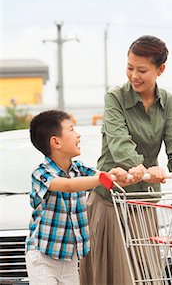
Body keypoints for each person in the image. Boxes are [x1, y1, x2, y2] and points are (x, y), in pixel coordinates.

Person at [80, 35, 172, 285]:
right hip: (111, 197)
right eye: (130, 68)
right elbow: (119, 141)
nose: (134, 75)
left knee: (147, 273)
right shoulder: (115, 98)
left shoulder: (167, 101)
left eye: (142, 70)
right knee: (112, 274)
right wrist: (139, 167)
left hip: (144, 199)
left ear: (160, 69)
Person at [25, 110, 128, 285]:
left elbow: (102, 178)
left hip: (69, 258)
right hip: (43, 257)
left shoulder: (78, 169)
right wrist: (103, 179)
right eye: (72, 130)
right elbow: (68, 186)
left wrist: (119, 175)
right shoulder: (41, 173)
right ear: (56, 142)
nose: (78, 135)